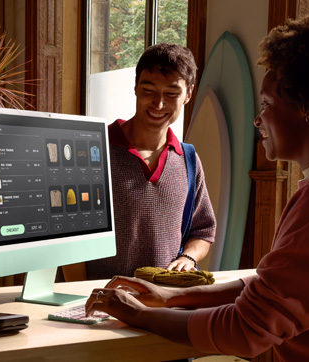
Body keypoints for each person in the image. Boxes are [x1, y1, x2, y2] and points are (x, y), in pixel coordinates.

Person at [85, 8, 309, 361]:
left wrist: (139, 315)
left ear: (306, 108)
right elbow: (274, 288)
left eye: (268, 103)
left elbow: (248, 328)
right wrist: (171, 296)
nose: (258, 118)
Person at [84, 43, 216, 279]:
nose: (159, 103)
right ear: (135, 87)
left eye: (172, 93)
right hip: (97, 301)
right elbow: (65, 237)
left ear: (188, 94)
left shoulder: (188, 160)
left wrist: (188, 257)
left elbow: (203, 231)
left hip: (161, 303)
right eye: (149, 90)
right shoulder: (94, 149)